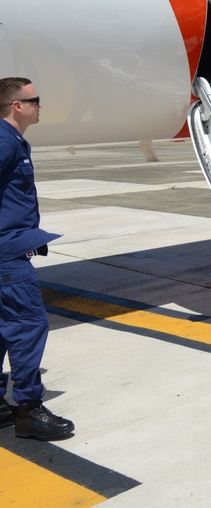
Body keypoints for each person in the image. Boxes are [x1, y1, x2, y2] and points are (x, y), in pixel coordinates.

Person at [0, 78, 75, 441]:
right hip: (6, 255)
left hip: (10, 248)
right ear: (17, 105)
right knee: (29, 325)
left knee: (2, 329)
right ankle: (28, 409)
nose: (40, 105)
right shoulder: (3, 141)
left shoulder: (10, 139)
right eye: (35, 99)